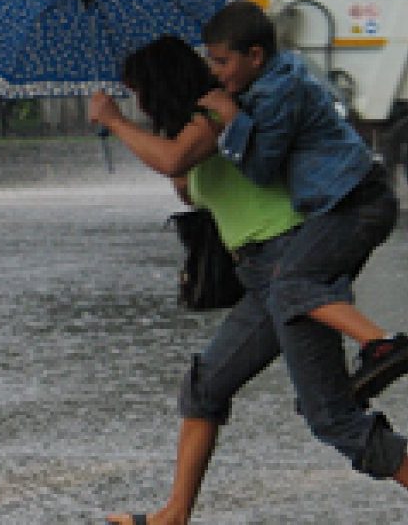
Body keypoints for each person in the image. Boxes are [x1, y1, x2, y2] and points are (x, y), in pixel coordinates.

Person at [88, 36, 408, 525]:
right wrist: (142, 137)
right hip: (260, 277)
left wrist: (116, 121)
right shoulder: (191, 132)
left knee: (331, 416)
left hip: (291, 266)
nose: (138, 105)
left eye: (139, 93)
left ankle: (383, 347)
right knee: (204, 388)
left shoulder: (216, 113)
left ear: (159, 85)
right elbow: (184, 179)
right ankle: (174, 514)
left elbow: (174, 160)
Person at [197, 0, 408, 403]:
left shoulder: (277, 93)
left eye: (222, 62)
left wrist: (231, 119)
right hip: (351, 200)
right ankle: (346, 381)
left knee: (293, 283)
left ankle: (383, 344)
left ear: (255, 56)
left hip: (354, 202)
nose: (215, 72)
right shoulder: (276, 80)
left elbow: (260, 169)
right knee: (309, 286)